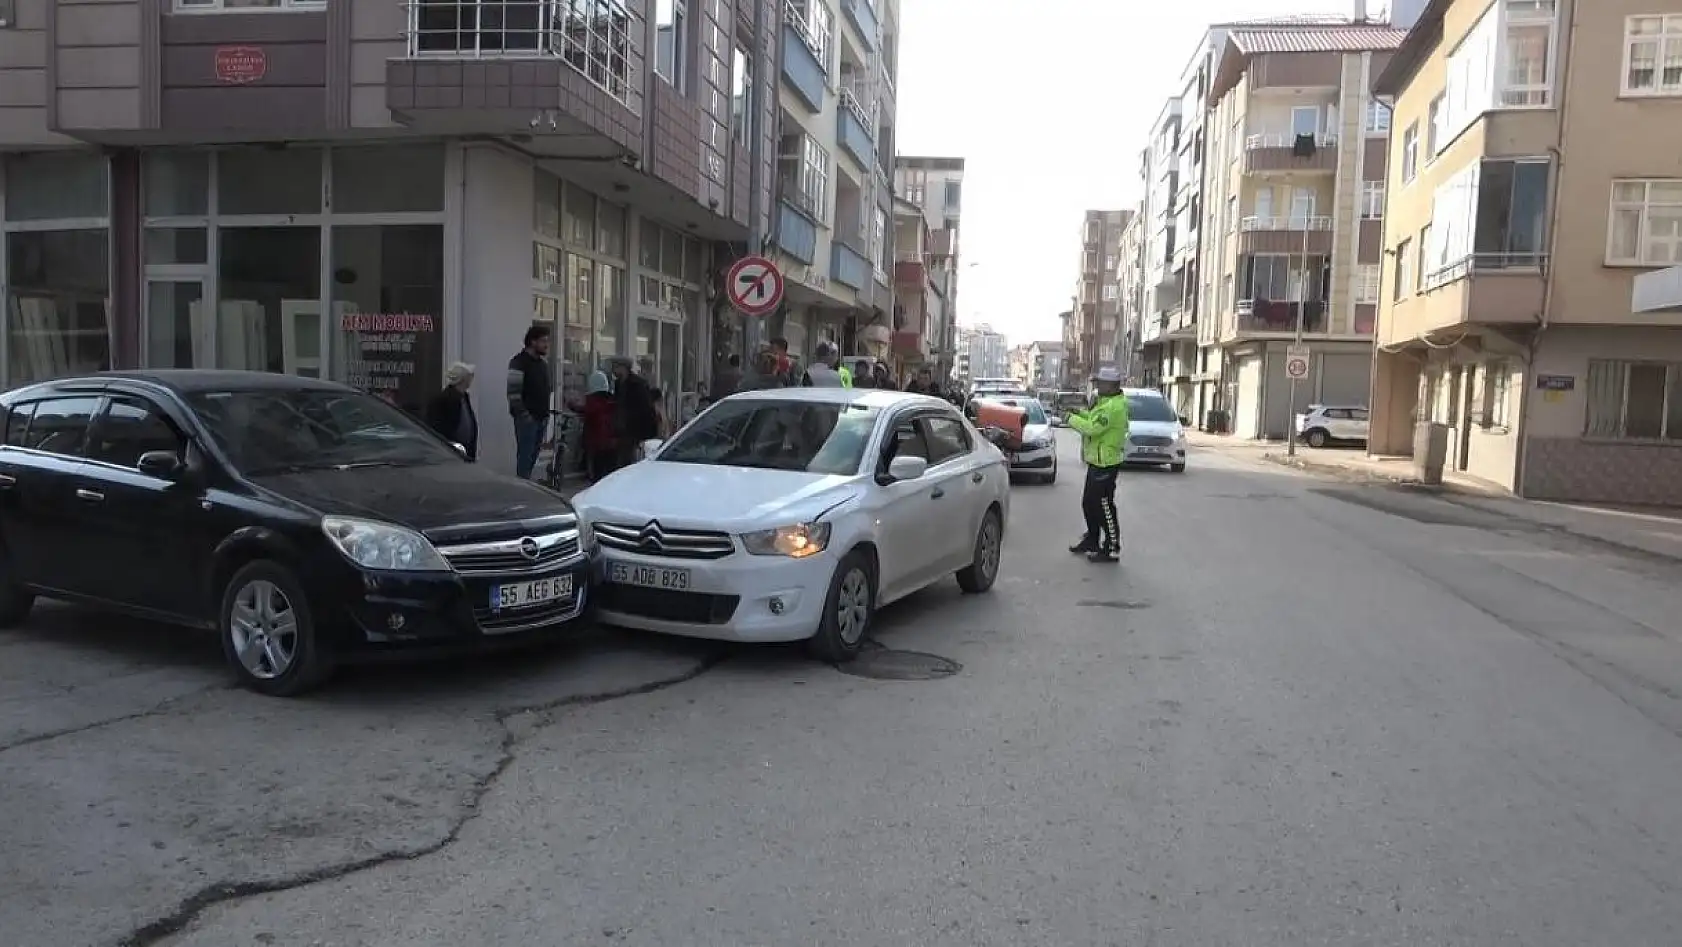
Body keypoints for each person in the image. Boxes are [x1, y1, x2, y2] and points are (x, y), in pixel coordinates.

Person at [1066, 367, 1130, 563]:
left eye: (1101, 383)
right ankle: (1093, 539)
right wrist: (1080, 413)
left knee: (1103, 505)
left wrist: (1070, 418)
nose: (1098, 386)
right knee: (1088, 503)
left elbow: (1093, 428)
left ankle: (1111, 547)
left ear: (1111, 386)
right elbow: (1094, 418)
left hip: (1106, 463)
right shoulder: (1107, 403)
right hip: (1097, 461)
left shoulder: (1113, 407)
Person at [507, 325, 553, 479]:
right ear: (533, 342)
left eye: (547, 341)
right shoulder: (519, 362)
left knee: (533, 456)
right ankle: (522, 488)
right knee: (525, 457)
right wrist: (525, 416)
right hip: (528, 419)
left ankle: (527, 484)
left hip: (541, 418)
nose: (547, 345)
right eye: (543, 341)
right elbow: (513, 394)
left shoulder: (542, 364)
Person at [609, 356, 660, 468]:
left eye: (615, 367)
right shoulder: (618, 384)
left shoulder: (638, 384)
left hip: (634, 428)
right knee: (622, 458)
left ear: (624, 368)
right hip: (621, 428)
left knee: (628, 459)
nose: (613, 370)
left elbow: (646, 408)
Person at [424, 362, 479, 461]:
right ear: (462, 379)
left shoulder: (464, 397)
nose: (471, 379)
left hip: (467, 451)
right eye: (469, 376)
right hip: (452, 451)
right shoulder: (443, 399)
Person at [581, 370, 617, 482]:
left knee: (597, 472)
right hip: (611, 442)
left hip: (597, 443)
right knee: (609, 473)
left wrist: (571, 405)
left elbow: (587, 411)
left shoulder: (593, 401)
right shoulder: (611, 400)